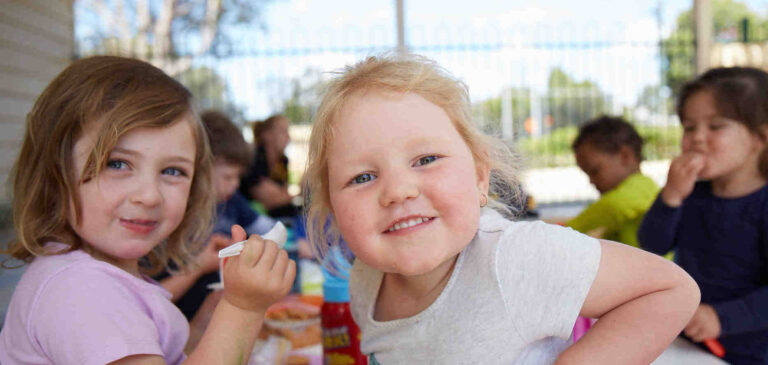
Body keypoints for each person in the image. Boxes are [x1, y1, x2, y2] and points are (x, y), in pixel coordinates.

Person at [302, 53, 700, 364]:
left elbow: (670, 289)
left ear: (479, 177)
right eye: (361, 177)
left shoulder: (513, 258)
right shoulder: (366, 278)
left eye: (425, 159)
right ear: (333, 209)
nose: (398, 191)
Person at [0, 56, 295, 364]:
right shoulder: (81, 291)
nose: (150, 195)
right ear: (55, 173)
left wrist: (210, 321)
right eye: (117, 164)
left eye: (172, 171)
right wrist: (243, 309)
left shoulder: (99, 274)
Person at [638, 66, 768, 365]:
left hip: (749, 351)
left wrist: (720, 317)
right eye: (689, 127)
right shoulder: (692, 195)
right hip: (687, 339)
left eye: (716, 126)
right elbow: (653, 245)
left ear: (759, 137)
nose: (697, 138)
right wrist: (670, 197)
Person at [157, 109, 279, 321]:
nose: (236, 184)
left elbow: (269, 230)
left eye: (238, 176)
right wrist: (200, 266)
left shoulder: (231, 201)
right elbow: (150, 300)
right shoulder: (169, 217)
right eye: (228, 176)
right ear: (199, 170)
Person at [567, 115, 662, 251]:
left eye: (595, 171)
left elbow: (613, 206)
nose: (591, 181)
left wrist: (568, 227)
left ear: (625, 156)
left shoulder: (641, 186)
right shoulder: (631, 192)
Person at [240, 114, 299, 218]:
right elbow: (267, 200)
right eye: (283, 131)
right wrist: (296, 194)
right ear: (267, 135)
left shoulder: (283, 161)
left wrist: (283, 195)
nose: (288, 137)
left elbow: (283, 195)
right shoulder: (255, 157)